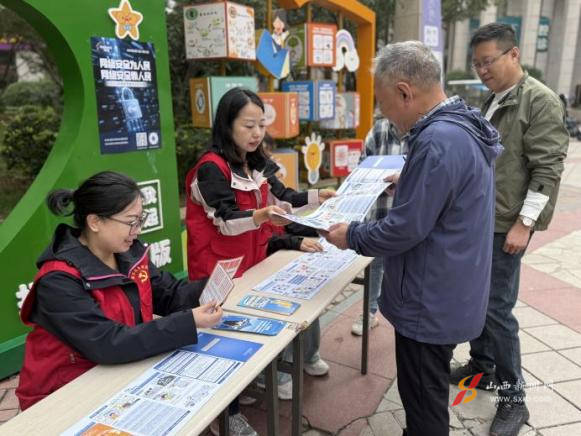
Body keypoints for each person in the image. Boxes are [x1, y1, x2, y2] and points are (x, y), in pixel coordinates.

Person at [323, 41, 502, 436]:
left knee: (423, 401)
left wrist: (350, 235)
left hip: (429, 298)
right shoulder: (461, 125)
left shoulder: (437, 140)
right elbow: (451, 195)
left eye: (384, 104)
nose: (385, 115)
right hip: (451, 287)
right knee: (427, 390)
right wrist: (411, 182)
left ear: (404, 92)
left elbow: (404, 229)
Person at [185, 88, 333, 431]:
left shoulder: (256, 161)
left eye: (261, 125)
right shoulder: (211, 168)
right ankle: (226, 415)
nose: (256, 134)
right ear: (227, 125)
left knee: (248, 336)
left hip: (252, 264)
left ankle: (246, 388)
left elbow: (283, 196)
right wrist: (262, 215)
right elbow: (225, 220)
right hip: (216, 269)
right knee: (222, 341)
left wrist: (317, 196)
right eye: (248, 125)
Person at [15, 171, 223, 411]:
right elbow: (107, 342)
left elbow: (167, 294)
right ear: (95, 222)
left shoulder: (129, 253)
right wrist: (189, 322)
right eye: (130, 221)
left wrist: (212, 287)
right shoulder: (59, 281)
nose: (137, 230)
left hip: (117, 372)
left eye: (140, 219)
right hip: (61, 394)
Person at [449, 23, 569, 436]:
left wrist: (525, 223)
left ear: (513, 54)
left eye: (488, 61)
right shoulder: (494, 98)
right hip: (481, 220)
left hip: (506, 225)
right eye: (477, 64)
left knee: (497, 310)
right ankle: (482, 367)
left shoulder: (539, 100)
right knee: (479, 301)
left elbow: (547, 168)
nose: (482, 70)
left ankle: (514, 399)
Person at [351, 117, 407, 336]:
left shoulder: (424, 132)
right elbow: (362, 166)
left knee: (405, 267)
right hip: (379, 211)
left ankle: (404, 316)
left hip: (407, 217)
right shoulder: (379, 130)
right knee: (374, 265)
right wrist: (377, 179)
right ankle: (369, 312)